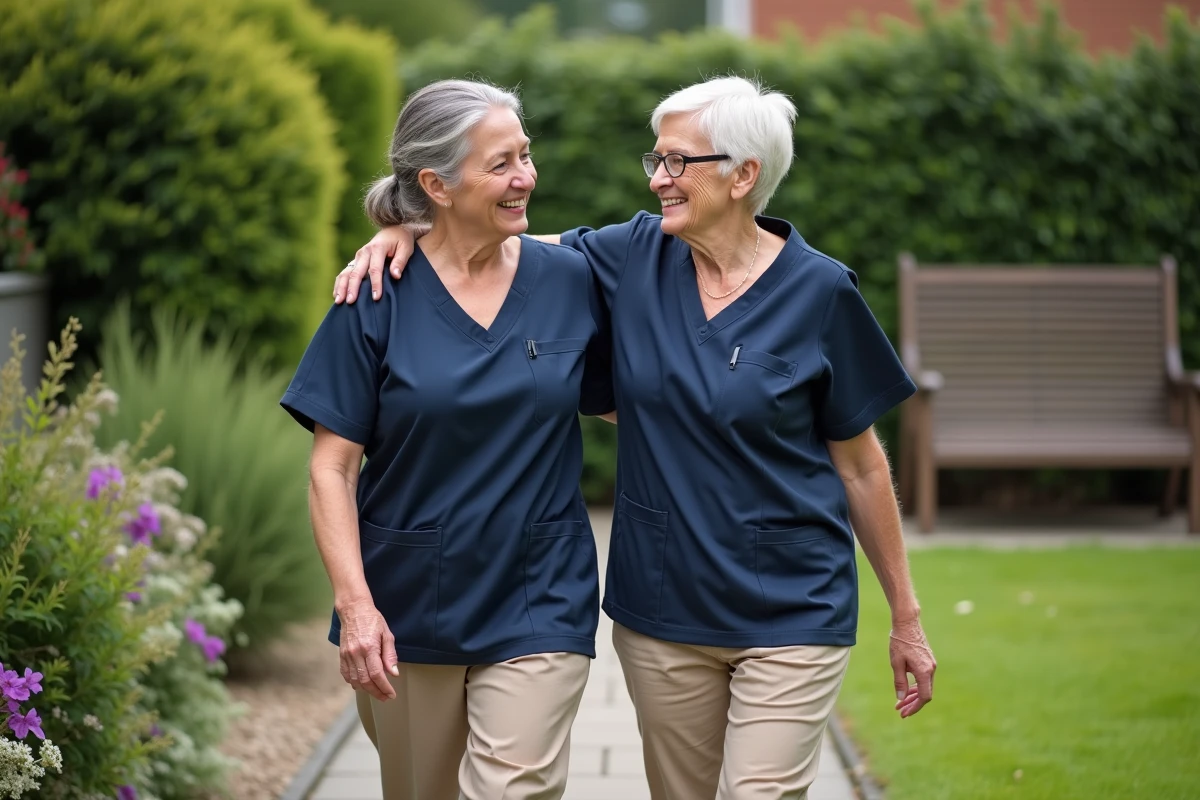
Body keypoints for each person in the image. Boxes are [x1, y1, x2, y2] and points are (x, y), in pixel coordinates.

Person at [336, 76, 936, 800]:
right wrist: (403, 228)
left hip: (794, 600)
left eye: (678, 161)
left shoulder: (821, 292)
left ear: (744, 175)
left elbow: (863, 468)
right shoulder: (633, 256)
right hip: (663, 607)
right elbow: (494, 242)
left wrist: (906, 616)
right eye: (656, 159)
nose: (658, 178)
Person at [281, 79, 614, 800]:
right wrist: (356, 606)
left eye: (525, 155)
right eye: (501, 164)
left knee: (513, 788)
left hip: (542, 594)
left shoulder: (569, 280)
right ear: (436, 184)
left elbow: (635, 398)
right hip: (410, 603)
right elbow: (331, 470)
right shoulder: (374, 295)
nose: (526, 176)